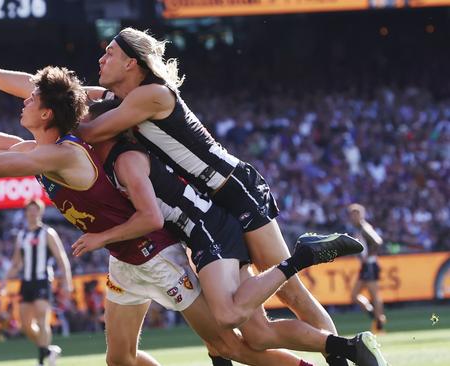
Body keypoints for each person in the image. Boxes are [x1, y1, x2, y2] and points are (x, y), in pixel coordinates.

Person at [0, 65, 319, 365]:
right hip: (124, 260)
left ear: (47, 112)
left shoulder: (64, 155)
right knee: (119, 360)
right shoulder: (41, 149)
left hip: (154, 255)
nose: (21, 104)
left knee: (230, 344)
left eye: (29, 101)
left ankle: (323, 355)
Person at [73, 27, 386, 366]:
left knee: (290, 291)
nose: (101, 59)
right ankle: (345, 350)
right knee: (253, 330)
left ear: (132, 63)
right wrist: (24, 86)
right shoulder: (124, 101)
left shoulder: (151, 94)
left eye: (110, 54)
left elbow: (88, 129)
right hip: (212, 205)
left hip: (235, 190)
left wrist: (55, 121)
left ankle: (334, 335)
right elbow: (58, 93)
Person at [0, 198, 73, 366]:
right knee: (26, 325)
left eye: (36, 210)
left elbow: (61, 258)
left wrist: (67, 282)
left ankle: (41, 361)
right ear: (25, 213)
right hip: (26, 282)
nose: (32, 213)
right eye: (29, 210)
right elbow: (16, 263)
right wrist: (4, 281)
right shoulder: (22, 235)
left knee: (42, 317)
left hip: (42, 280)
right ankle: (48, 350)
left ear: (40, 212)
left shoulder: (47, 233)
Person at [348, 203, 387, 333]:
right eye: (352, 215)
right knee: (354, 295)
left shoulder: (364, 227)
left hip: (370, 264)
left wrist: (368, 256)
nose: (353, 217)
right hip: (365, 265)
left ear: (360, 215)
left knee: (374, 294)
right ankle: (372, 313)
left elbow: (377, 242)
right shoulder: (358, 229)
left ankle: (379, 322)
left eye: (355, 214)